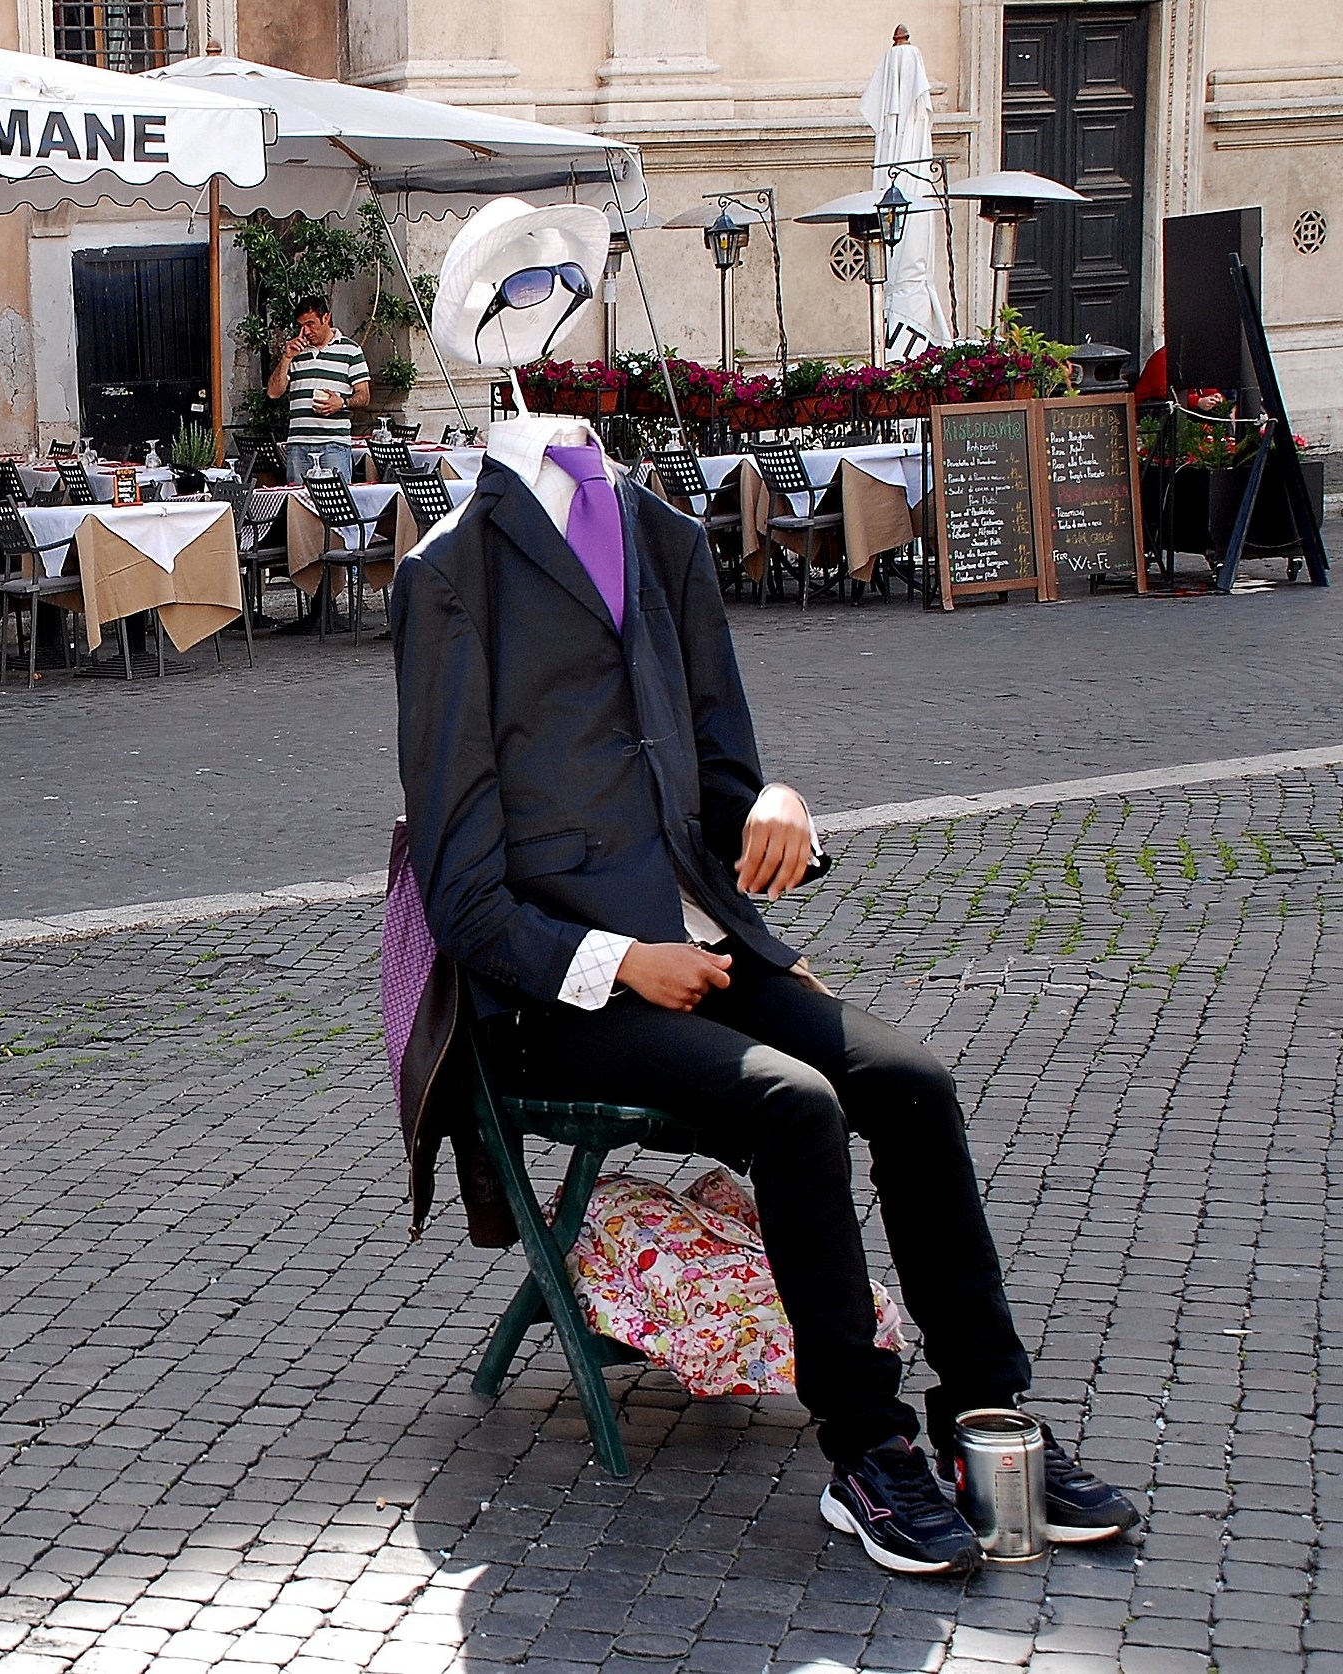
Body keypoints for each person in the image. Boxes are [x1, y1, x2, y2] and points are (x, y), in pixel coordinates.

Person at [390, 197, 1138, 1578]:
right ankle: (865, 1450)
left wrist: (783, 806)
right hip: (556, 990)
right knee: (794, 1108)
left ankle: (987, 1418)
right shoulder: (452, 580)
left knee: (910, 1083)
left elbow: (727, 778)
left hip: (712, 944)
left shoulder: (665, 539)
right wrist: (620, 964)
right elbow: (460, 886)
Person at [266, 296, 368, 483]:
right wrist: (286, 358)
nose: (306, 331)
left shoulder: (350, 351)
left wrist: (342, 403)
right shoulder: (295, 352)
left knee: (336, 503)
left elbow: (364, 396)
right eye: (302, 325)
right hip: (298, 444)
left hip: (334, 444)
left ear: (326, 318)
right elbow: (273, 392)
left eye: (311, 324)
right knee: (298, 505)